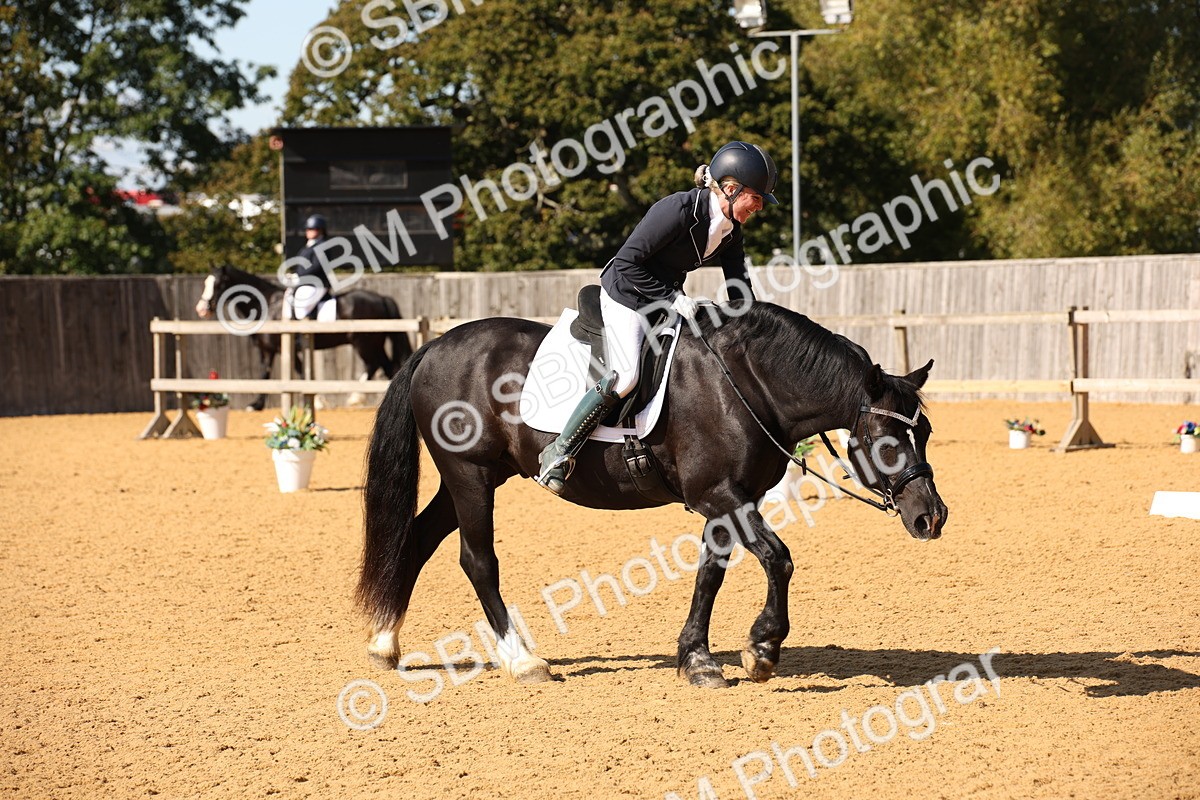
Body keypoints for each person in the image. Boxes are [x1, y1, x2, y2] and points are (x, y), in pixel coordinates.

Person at [535, 141, 778, 495]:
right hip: (627, 294)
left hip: (665, 299)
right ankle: (559, 451)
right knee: (626, 376)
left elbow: (739, 286)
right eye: (755, 198)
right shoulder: (678, 210)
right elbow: (626, 263)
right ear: (730, 189)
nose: (759, 207)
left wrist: (757, 328)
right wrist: (672, 297)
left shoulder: (730, 231)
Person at [289, 214, 333, 320]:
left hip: (316, 284)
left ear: (320, 230)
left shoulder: (323, 246)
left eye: (312, 229)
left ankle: (305, 322)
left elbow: (317, 266)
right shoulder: (307, 247)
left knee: (301, 305)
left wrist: (300, 275)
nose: (308, 231)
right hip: (305, 282)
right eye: (307, 229)